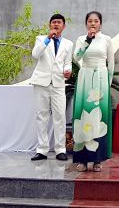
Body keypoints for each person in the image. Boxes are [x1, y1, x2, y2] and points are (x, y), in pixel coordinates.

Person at [72, 11, 114, 172]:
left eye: (96, 21)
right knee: (83, 115)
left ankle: (97, 159)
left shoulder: (107, 40)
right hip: (85, 76)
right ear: (86, 24)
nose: (93, 24)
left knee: (98, 116)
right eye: (90, 21)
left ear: (100, 24)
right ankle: (82, 159)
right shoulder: (81, 39)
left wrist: (107, 84)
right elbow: (76, 57)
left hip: (101, 77)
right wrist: (88, 40)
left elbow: (110, 63)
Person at [30, 13, 74, 161]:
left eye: (59, 22)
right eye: (54, 22)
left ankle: (60, 149)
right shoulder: (41, 39)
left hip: (58, 82)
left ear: (64, 26)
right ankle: (42, 150)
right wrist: (48, 38)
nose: (56, 25)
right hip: (41, 82)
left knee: (60, 116)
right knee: (41, 115)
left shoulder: (68, 43)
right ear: (50, 25)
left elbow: (67, 62)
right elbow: (35, 55)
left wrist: (68, 71)